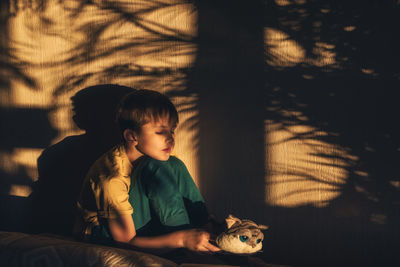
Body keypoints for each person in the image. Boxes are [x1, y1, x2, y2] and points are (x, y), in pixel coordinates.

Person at [74, 88, 221, 254]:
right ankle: (184, 243)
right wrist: (181, 239)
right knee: (157, 166)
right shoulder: (111, 178)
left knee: (174, 164)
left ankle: (206, 227)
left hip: (140, 220)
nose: (170, 138)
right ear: (131, 136)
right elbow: (126, 241)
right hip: (105, 232)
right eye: (160, 131)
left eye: (172, 130)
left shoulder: (158, 155)